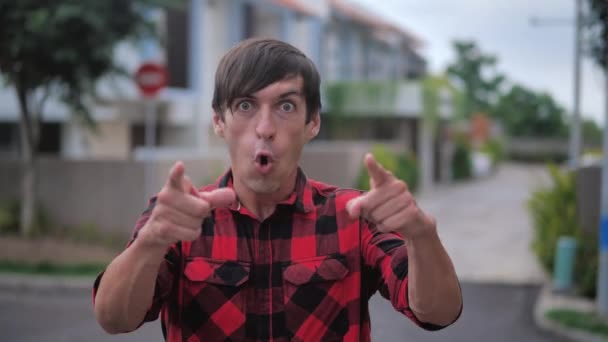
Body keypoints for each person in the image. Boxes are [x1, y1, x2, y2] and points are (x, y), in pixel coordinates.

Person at [93, 38, 462, 341]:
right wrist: (150, 243)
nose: (265, 127)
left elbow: (438, 313)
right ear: (219, 121)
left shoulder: (352, 216)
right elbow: (114, 319)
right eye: (245, 105)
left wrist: (421, 235)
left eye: (286, 105)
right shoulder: (179, 218)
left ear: (312, 122)